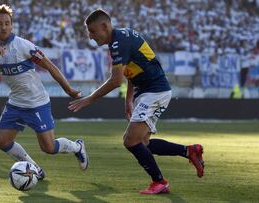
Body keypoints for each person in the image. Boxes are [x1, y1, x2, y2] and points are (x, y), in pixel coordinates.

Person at [69, 9, 204, 194]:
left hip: (154, 91)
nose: (91, 37)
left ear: (104, 26)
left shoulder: (118, 43)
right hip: (149, 91)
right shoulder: (121, 38)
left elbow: (116, 81)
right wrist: (128, 101)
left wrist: (89, 99)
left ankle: (160, 182)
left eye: (92, 31)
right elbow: (132, 72)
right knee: (143, 143)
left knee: (130, 140)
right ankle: (189, 151)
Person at [0, 4, 89, 180]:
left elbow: (49, 65)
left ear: (12, 25)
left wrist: (68, 89)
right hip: (15, 103)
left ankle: (77, 147)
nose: (4, 27)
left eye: (7, 23)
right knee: (2, 141)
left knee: (48, 148)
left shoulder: (23, 46)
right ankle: (35, 169)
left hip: (36, 102)